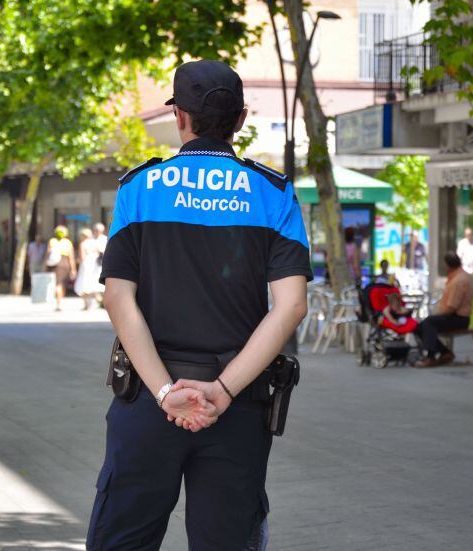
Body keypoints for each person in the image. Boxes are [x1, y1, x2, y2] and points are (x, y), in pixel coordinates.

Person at [87, 60, 311, 551]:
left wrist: (167, 392)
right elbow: (291, 306)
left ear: (179, 117)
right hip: (237, 405)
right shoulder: (273, 193)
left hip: (149, 399)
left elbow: (117, 296)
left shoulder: (140, 188)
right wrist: (224, 390)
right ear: (241, 119)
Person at [414, 252, 473, 367]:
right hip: (461, 317)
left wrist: (438, 315)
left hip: (459, 318)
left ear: (448, 265)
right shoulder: (464, 276)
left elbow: (452, 307)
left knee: (429, 323)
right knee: (420, 326)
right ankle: (445, 352)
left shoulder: (458, 280)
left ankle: (430, 357)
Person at [44, 225, 76, 311]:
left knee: (57, 283)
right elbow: (71, 258)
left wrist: (44, 265)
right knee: (61, 283)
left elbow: (47, 254)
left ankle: (58, 302)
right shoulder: (68, 242)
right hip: (64, 263)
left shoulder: (52, 241)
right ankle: (59, 302)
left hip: (54, 263)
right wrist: (73, 269)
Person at [74, 228, 103, 310]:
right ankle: (99, 300)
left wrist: (77, 261)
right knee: (93, 282)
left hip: (86, 264)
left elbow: (82, 257)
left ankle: (86, 305)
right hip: (95, 265)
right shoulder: (95, 242)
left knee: (84, 283)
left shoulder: (83, 243)